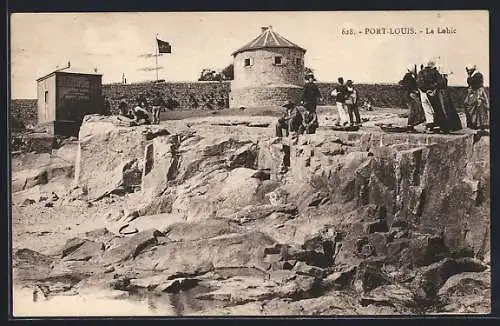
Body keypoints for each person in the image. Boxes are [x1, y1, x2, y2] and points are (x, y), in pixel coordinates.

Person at [417, 60, 441, 132]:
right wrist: (431, 89)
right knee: (434, 109)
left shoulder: (421, 72)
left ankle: (430, 125)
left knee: (427, 110)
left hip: (423, 93)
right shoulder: (435, 72)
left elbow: (418, 83)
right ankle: (436, 125)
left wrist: (424, 90)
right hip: (432, 93)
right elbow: (440, 82)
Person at [399, 64, 425, 131]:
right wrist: (414, 91)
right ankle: (410, 125)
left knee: (413, 110)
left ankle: (411, 125)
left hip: (408, 95)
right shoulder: (409, 77)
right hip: (410, 96)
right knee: (413, 110)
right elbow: (409, 87)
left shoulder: (408, 76)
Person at [464, 64, 489, 131]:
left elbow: (474, 84)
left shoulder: (478, 75)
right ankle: (472, 123)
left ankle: (477, 124)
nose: (467, 71)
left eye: (468, 70)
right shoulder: (473, 75)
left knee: (475, 106)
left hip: (478, 92)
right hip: (473, 92)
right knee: (467, 104)